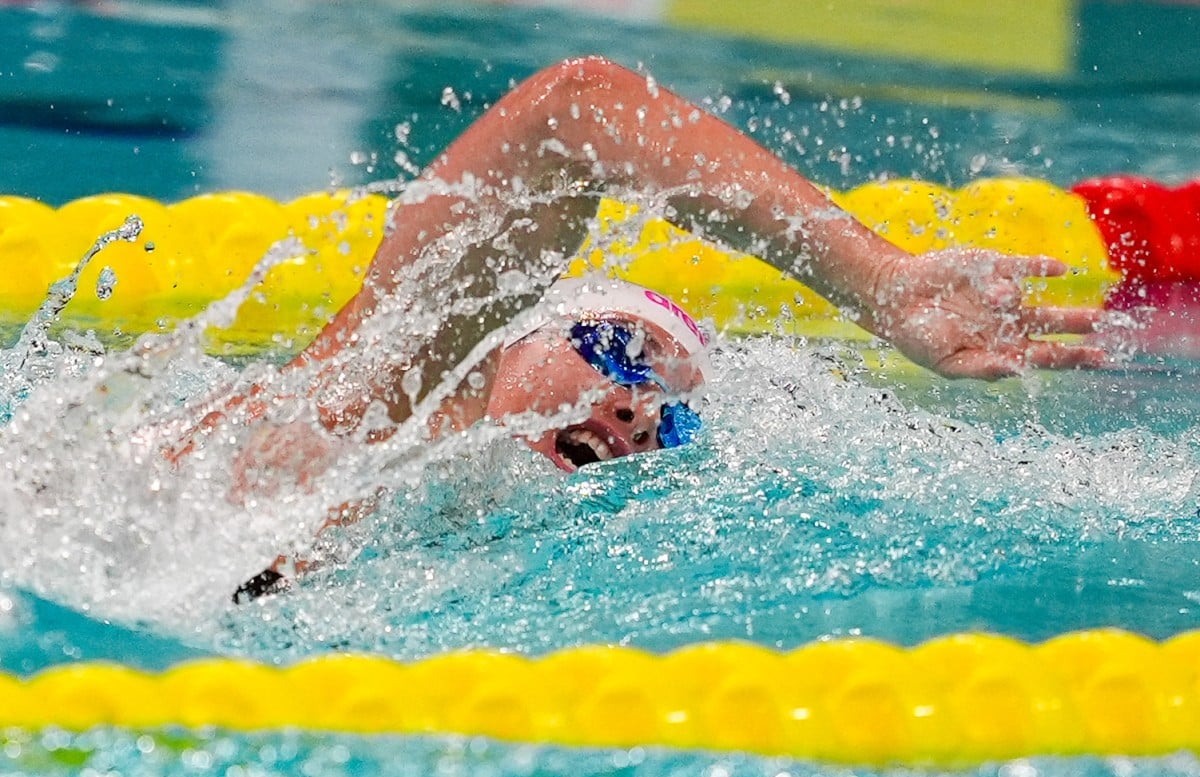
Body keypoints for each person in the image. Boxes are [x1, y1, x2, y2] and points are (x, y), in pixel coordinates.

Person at [186, 56, 1104, 601]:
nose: (635, 414)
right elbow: (572, 109)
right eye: (620, 351)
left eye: (672, 418)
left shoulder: (454, 556)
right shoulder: (358, 405)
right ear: (513, 330)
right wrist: (878, 283)